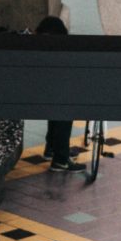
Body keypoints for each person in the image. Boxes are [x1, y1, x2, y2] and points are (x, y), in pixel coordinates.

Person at [35, 14, 81, 172]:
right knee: (64, 107)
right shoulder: (55, 56)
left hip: (30, 98)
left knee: (55, 101)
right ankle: (60, 159)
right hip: (44, 98)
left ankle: (52, 148)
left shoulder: (36, 50)